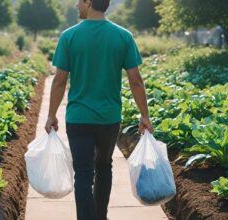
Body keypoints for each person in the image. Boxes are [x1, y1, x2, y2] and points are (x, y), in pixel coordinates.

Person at [44, 0, 153, 219]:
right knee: (104, 166)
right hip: (109, 119)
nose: (76, 5)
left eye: (79, 1)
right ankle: (100, 216)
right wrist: (144, 115)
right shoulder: (123, 36)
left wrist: (51, 115)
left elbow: (59, 81)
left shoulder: (69, 36)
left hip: (79, 118)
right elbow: (136, 80)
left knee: (83, 174)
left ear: (89, 2)